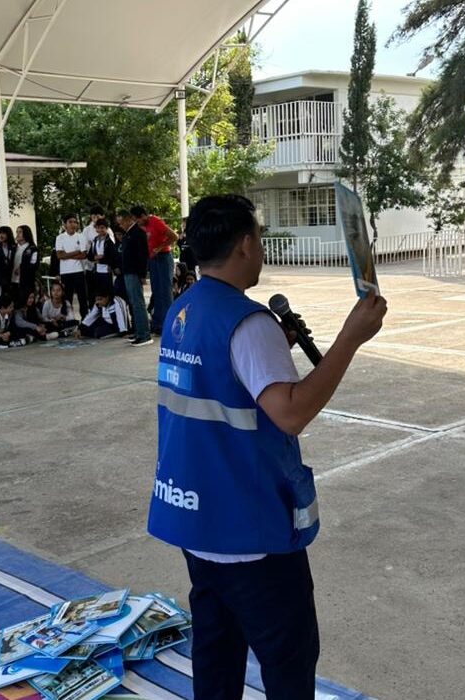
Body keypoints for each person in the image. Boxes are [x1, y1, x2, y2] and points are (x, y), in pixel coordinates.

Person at [146, 194, 387, 700]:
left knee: (216, 647)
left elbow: (221, 388)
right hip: (247, 529)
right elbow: (291, 412)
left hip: (196, 519)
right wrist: (350, 338)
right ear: (245, 244)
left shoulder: (183, 309)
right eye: (258, 239)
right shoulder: (249, 324)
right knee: (288, 656)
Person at [131, 205, 177, 336]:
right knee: (156, 291)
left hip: (163, 257)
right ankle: (157, 324)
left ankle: (168, 324)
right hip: (152, 260)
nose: (137, 223)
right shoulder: (141, 227)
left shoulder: (155, 221)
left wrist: (160, 247)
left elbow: (174, 236)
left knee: (165, 292)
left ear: (143, 216)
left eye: (137, 220)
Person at [116, 209, 151, 347]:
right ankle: (138, 331)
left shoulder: (138, 233)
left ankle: (144, 335)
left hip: (135, 272)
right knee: (133, 303)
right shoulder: (128, 234)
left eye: (122, 222)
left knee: (138, 303)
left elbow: (143, 256)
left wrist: (142, 274)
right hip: (127, 271)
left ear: (128, 219)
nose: (121, 225)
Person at [55, 213, 90, 317]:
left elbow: (83, 254)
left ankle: (85, 320)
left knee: (82, 298)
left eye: (75, 222)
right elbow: (59, 255)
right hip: (65, 272)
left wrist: (67, 255)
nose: (73, 224)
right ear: (65, 224)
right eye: (70, 222)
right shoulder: (60, 238)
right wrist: (76, 252)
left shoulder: (81, 236)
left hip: (78, 270)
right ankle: (68, 320)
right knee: (67, 298)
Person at [81, 206, 108, 300]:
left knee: (105, 293)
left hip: (105, 267)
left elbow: (111, 247)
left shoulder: (108, 230)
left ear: (103, 216)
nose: (95, 217)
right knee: (92, 293)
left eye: (98, 215)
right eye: (93, 215)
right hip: (90, 266)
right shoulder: (86, 230)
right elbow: (84, 247)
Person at [88, 218, 118, 296]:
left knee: (108, 293)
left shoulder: (109, 241)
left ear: (106, 228)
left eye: (102, 228)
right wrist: (95, 257)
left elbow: (113, 257)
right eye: (98, 228)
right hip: (97, 271)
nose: (100, 230)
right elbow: (89, 255)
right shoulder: (95, 240)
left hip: (106, 271)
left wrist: (100, 260)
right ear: (96, 228)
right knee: (98, 293)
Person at [14, 225, 40, 306]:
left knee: (26, 305)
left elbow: (34, 265)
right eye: (17, 232)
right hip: (13, 282)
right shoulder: (14, 248)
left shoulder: (32, 249)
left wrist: (22, 269)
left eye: (20, 232)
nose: (17, 234)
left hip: (26, 283)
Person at [0, 225, 16, 298]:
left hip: (12, 279)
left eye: (3, 233)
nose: (0, 235)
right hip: (0, 281)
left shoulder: (14, 247)